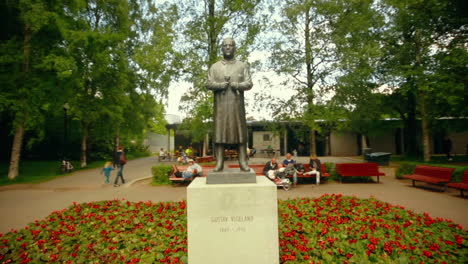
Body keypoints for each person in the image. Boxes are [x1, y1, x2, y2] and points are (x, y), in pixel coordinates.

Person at [206, 37, 253, 172]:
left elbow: (249, 83)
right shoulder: (215, 67)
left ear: (234, 48)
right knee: (219, 134)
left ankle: (243, 162)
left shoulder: (242, 66)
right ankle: (219, 163)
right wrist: (221, 85)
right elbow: (208, 83)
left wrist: (236, 85)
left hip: (236, 106)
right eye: (225, 45)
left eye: (230, 45)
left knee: (240, 134)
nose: (227, 47)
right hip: (220, 107)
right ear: (222, 48)